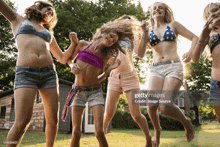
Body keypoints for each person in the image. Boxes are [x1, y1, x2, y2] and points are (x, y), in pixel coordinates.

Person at [0, 0, 78, 146]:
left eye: (52, 13)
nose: (50, 13)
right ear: (38, 7)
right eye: (48, 9)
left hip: (49, 74)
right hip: (26, 73)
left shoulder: (48, 33)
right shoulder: (18, 19)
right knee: (22, 122)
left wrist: (73, 44)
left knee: (52, 120)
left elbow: (61, 58)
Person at [137, 2, 198, 147]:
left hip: (173, 67)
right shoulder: (149, 30)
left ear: (165, 12)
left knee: (164, 106)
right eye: (154, 8)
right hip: (156, 69)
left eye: (161, 7)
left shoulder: (173, 25)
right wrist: (144, 33)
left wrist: (190, 52)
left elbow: (195, 38)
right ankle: (158, 130)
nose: (157, 9)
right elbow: (140, 54)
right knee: (150, 105)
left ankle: (186, 121)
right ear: (151, 13)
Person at [61, 20, 129, 147]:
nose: (109, 40)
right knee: (76, 131)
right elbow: (69, 59)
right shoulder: (82, 44)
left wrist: (110, 69)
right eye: (109, 36)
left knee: (99, 132)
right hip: (78, 91)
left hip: (95, 92)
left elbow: (99, 78)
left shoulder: (104, 56)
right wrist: (72, 65)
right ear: (102, 33)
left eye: (112, 41)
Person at [102, 15, 152, 147]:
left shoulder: (133, 38)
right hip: (114, 77)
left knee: (136, 114)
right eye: (125, 22)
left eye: (130, 23)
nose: (128, 25)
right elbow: (103, 57)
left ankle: (148, 138)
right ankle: (101, 137)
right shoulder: (112, 37)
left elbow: (140, 54)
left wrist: (145, 33)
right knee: (108, 114)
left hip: (130, 77)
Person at [191, 2, 220, 123]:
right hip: (216, 83)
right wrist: (202, 39)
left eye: (214, 11)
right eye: (207, 15)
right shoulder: (208, 34)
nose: (211, 15)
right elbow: (195, 58)